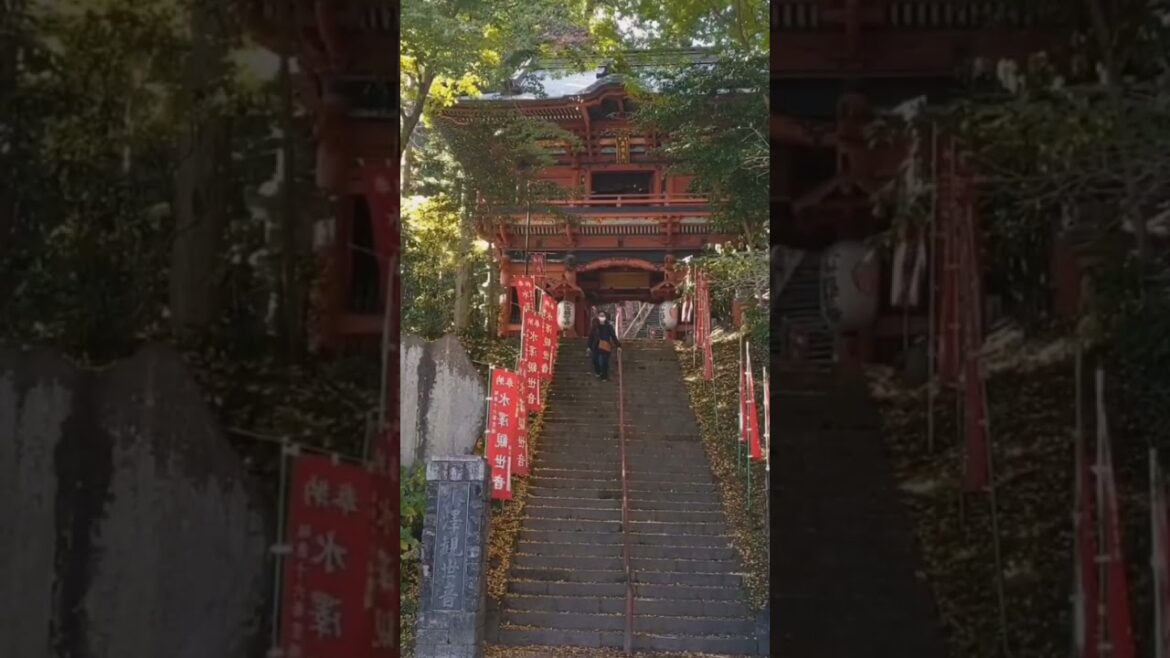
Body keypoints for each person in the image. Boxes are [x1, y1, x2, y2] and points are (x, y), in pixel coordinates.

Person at [587, 310, 621, 381]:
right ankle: (598, 372)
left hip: (605, 346)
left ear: (605, 317)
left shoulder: (608, 327)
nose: (602, 317)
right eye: (600, 316)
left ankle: (604, 376)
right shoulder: (595, 326)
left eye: (603, 316)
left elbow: (613, 336)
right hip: (596, 346)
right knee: (595, 360)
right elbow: (591, 337)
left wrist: (618, 345)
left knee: (603, 362)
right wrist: (589, 346)